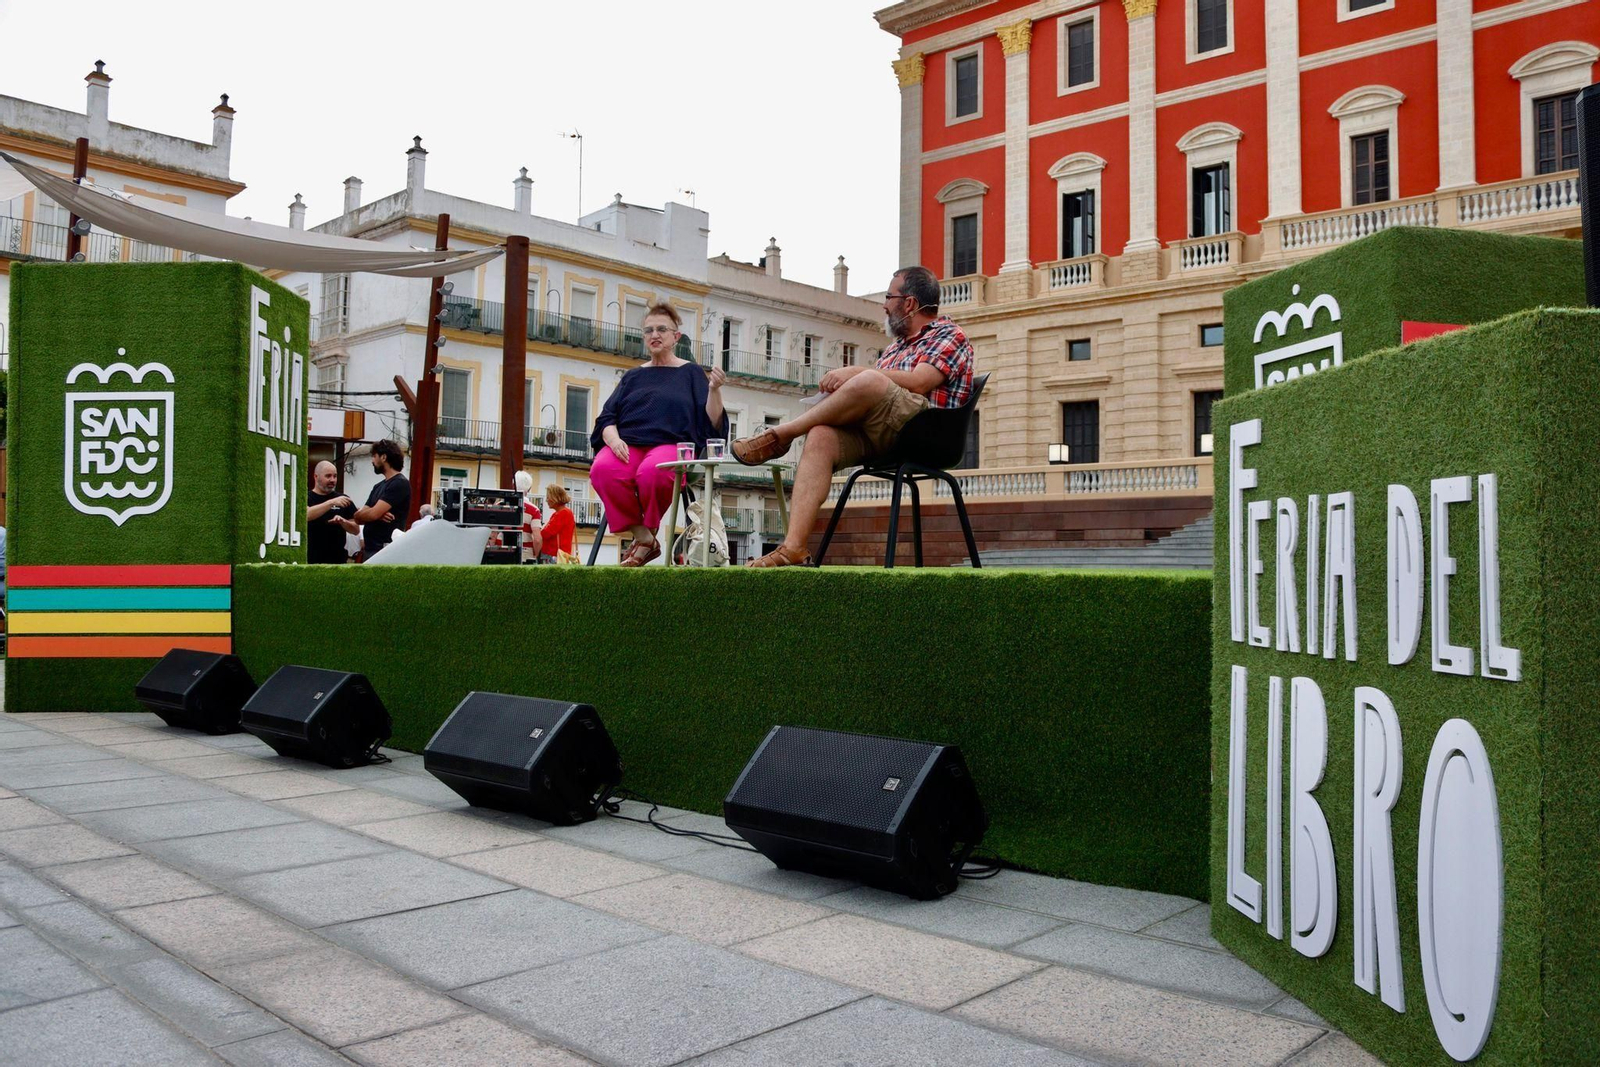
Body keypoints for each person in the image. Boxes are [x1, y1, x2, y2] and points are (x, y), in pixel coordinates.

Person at [731, 265, 974, 567]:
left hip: (926, 433)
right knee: (820, 436)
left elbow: (922, 382)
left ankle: (783, 434)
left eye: (888, 297)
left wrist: (858, 373)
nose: (884, 306)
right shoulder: (894, 349)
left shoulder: (949, 334)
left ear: (909, 303)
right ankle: (793, 547)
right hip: (884, 434)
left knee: (870, 380)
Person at [589, 303, 728, 566]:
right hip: (628, 443)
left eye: (662, 329)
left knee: (653, 472)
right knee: (602, 469)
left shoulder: (690, 373)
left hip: (672, 444)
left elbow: (712, 421)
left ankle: (645, 541)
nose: (655, 335)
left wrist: (715, 390)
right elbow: (607, 417)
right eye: (649, 330)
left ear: (676, 337)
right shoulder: (633, 376)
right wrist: (614, 439)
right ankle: (645, 538)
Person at [353, 439, 410, 558]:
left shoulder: (399, 483)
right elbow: (358, 517)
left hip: (385, 550)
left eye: (374, 456)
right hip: (371, 550)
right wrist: (377, 513)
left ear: (383, 457)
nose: (372, 461)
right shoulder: (378, 486)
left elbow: (372, 514)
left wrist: (374, 514)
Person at [306, 461, 357, 564]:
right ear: (316, 477)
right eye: (328, 476)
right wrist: (331, 503)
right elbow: (306, 515)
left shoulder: (343, 499)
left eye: (335, 476)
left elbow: (356, 530)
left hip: (338, 560)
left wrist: (343, 522)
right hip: (312, 559)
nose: (332, 480)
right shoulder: (307, 497)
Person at [540, 484, 576, 561]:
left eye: (548, 497)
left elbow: (546, 533)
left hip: (554, 555)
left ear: (555, 498)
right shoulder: (563, 513)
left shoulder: (563, 513)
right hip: (559, 554)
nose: (546, 500)